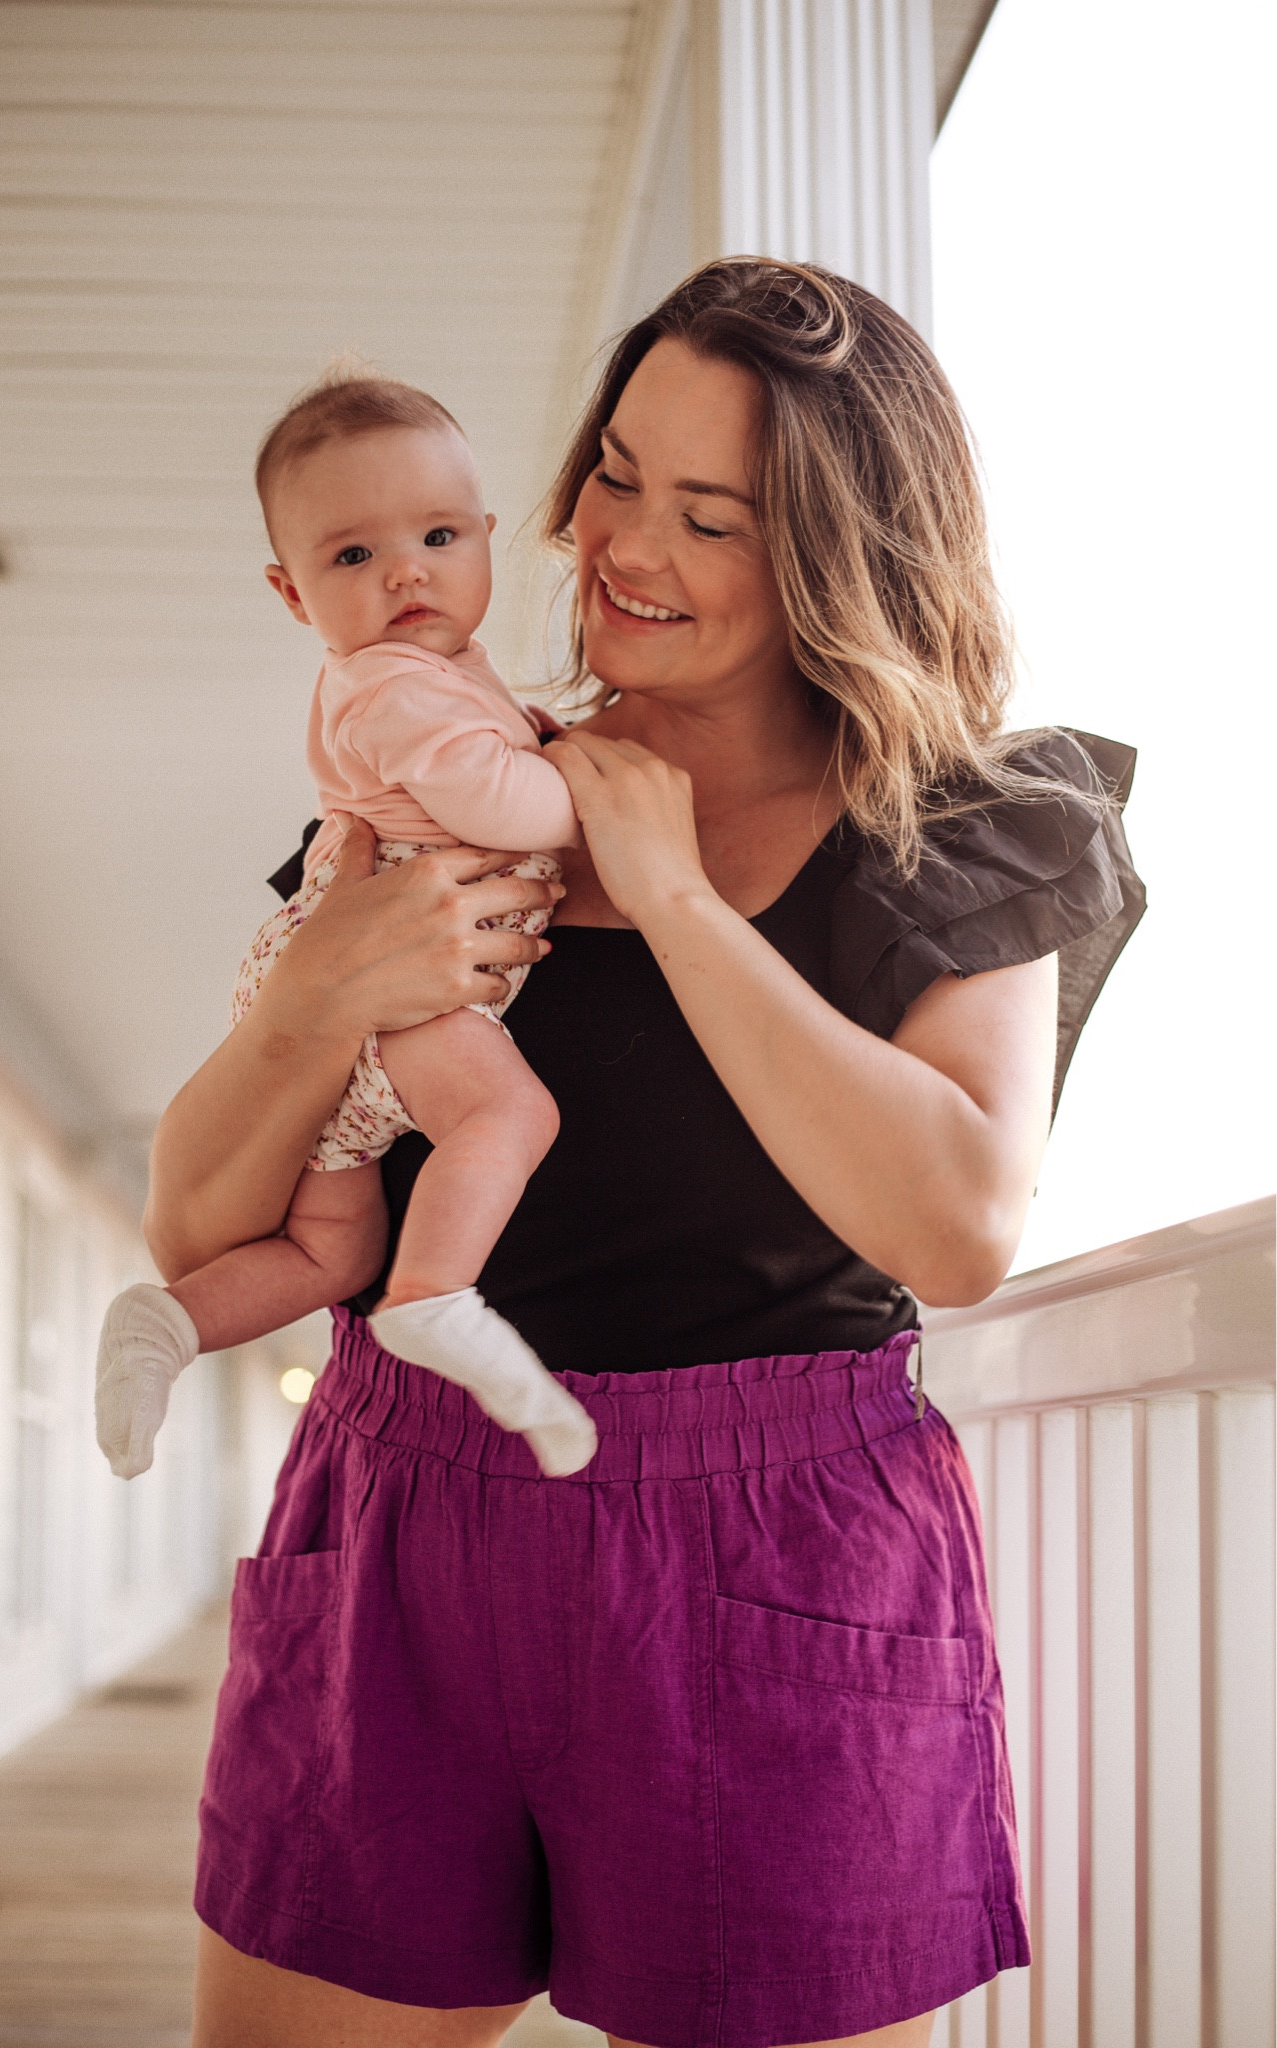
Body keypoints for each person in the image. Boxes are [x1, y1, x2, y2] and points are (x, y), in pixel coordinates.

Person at [146, 260, 1143, 2048]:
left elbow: (958, 1226)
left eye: (710, 515)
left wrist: (672, 892)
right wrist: (316, 994)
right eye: (615, 472)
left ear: (837, 552)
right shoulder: (449, 786)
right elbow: (200, 1230)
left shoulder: (974, 826)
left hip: (774, 1568)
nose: (620, 545)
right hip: (397, 1530)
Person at [94, 376, 595, 1483]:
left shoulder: (438, 674)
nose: (406, 571)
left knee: (332, 1247)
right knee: (509, 1111)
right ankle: (434, 1295)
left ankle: (165, 1325)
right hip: (395, 972)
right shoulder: (388, 686)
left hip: (366, 970)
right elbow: (497, 803)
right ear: (292, 593)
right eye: (355, 555)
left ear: (487, 537)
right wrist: (595, 789)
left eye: (437, 536)